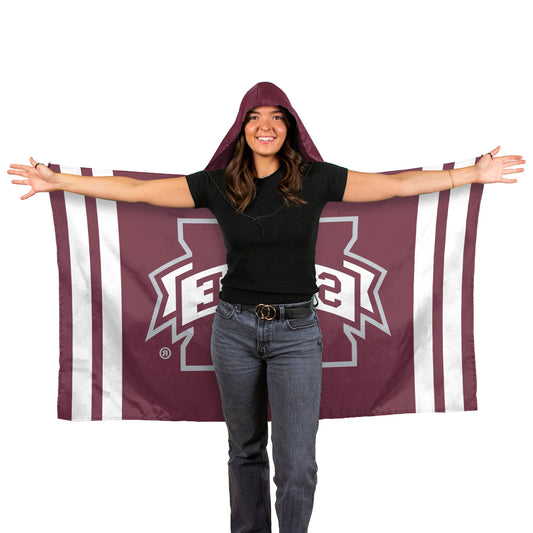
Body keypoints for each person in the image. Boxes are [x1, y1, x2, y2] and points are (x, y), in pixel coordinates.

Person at [9, 82, 525, 533]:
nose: (266, 126)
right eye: (255, 117)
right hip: (232, 330)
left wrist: (471, 174)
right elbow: (138, 193)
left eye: (276, 117)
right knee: (245, 452)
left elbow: (394, 186)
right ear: (241, 128)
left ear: (290, 127)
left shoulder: (318, 179)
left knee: (297, 466)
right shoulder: (216, 185)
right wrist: (60, 182)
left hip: (296, 334)